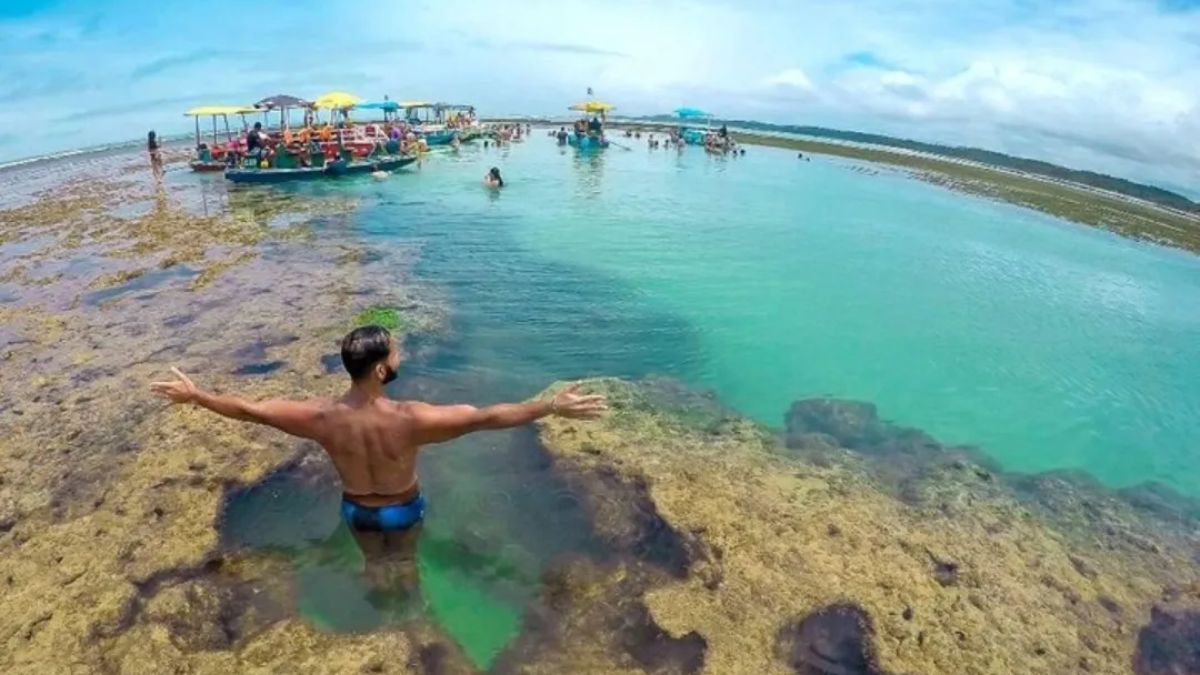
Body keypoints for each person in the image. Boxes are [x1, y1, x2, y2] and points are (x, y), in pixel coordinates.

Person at [150, 326, 605, 599]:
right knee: (405, 561)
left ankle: (382, 605)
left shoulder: (320, 418)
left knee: (373, 563)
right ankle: (411, 611)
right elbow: (485, 417)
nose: (398, 355)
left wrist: (196, 397)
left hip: (357, 511)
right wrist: (550, 407)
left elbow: (250, 409)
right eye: (395, 352)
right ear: (382, 370)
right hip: (402, 508)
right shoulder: (411, 420)